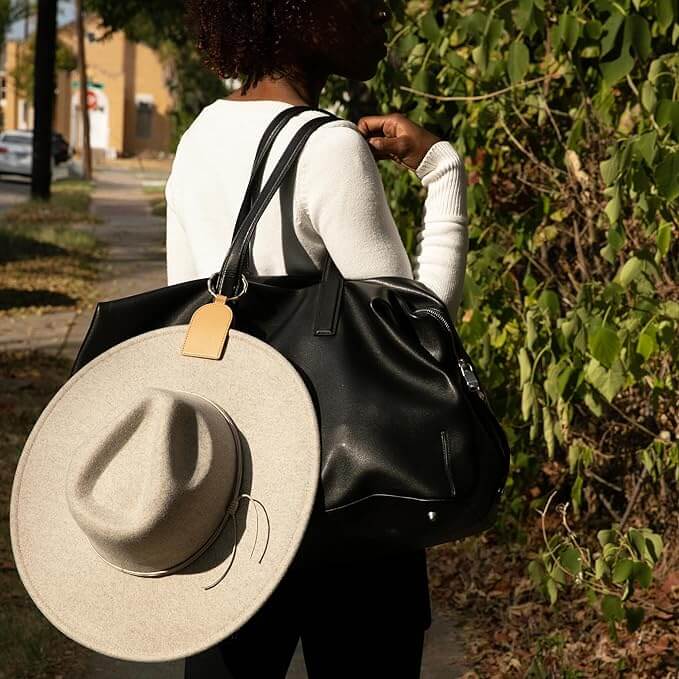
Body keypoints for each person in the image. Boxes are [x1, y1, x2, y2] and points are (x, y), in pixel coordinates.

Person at [167, 2, 469, 677]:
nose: (381, 15)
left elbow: (186, 319)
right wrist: (441, 170)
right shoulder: (329, 146)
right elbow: (415, 343)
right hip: (349, 505)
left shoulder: (198, 138)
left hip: (232, 504)